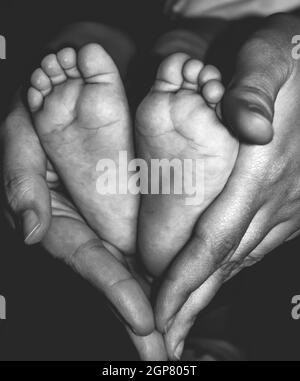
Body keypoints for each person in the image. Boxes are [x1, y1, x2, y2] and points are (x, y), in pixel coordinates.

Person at [2, 3, 300, 361]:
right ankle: (160, 227)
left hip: (166, 44)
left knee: (154, 73)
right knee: (190, 98)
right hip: (202, 53)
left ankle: (133, 215)